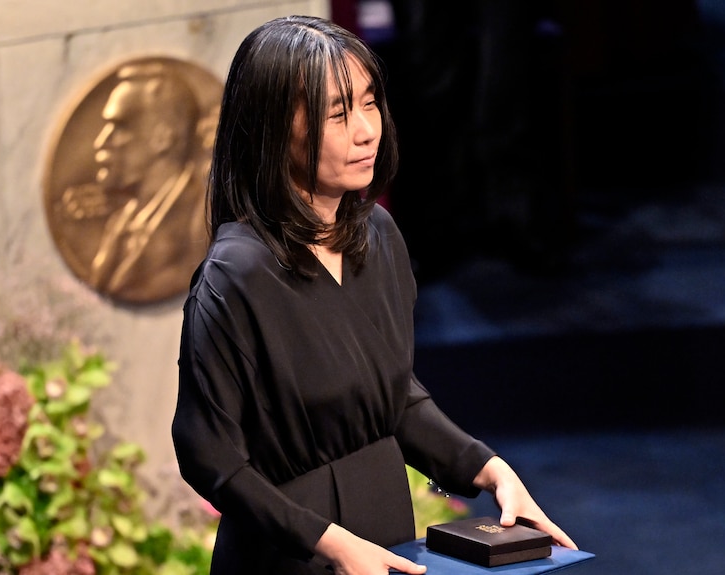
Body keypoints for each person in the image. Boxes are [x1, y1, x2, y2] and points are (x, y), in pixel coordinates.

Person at [171, 14, 577, 575]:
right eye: (338, 113)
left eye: (369, 104)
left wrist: (489, 469)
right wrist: (330, 543)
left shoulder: (377, 235)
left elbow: (394, 400)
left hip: (385, 532)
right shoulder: (234, 274)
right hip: (290, 553)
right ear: (272, 129)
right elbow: (207, 454)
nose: (366, 129)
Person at [87, 61, 208, 303]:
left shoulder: (202, 220)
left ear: (162, 139)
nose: (101, 142)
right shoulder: (120, 225)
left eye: (119, 127)